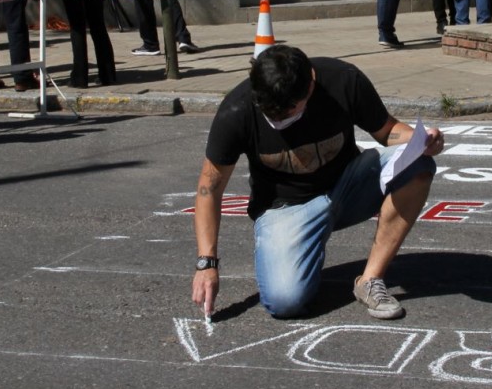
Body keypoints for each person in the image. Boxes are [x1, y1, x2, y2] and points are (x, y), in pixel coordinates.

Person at [190, 44, 444, 321]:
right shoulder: (237, 110)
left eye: (289, 112)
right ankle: (303, 247)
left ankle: (370, 279)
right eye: (270, 114)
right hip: (286, 208)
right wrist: (207, 263)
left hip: (347, 187)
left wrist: (422, 140)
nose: (279, 120)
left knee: (417, 163)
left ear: (310, 86)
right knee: (285, 302)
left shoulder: (342, 79)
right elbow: (209, 190)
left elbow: (387, 130)